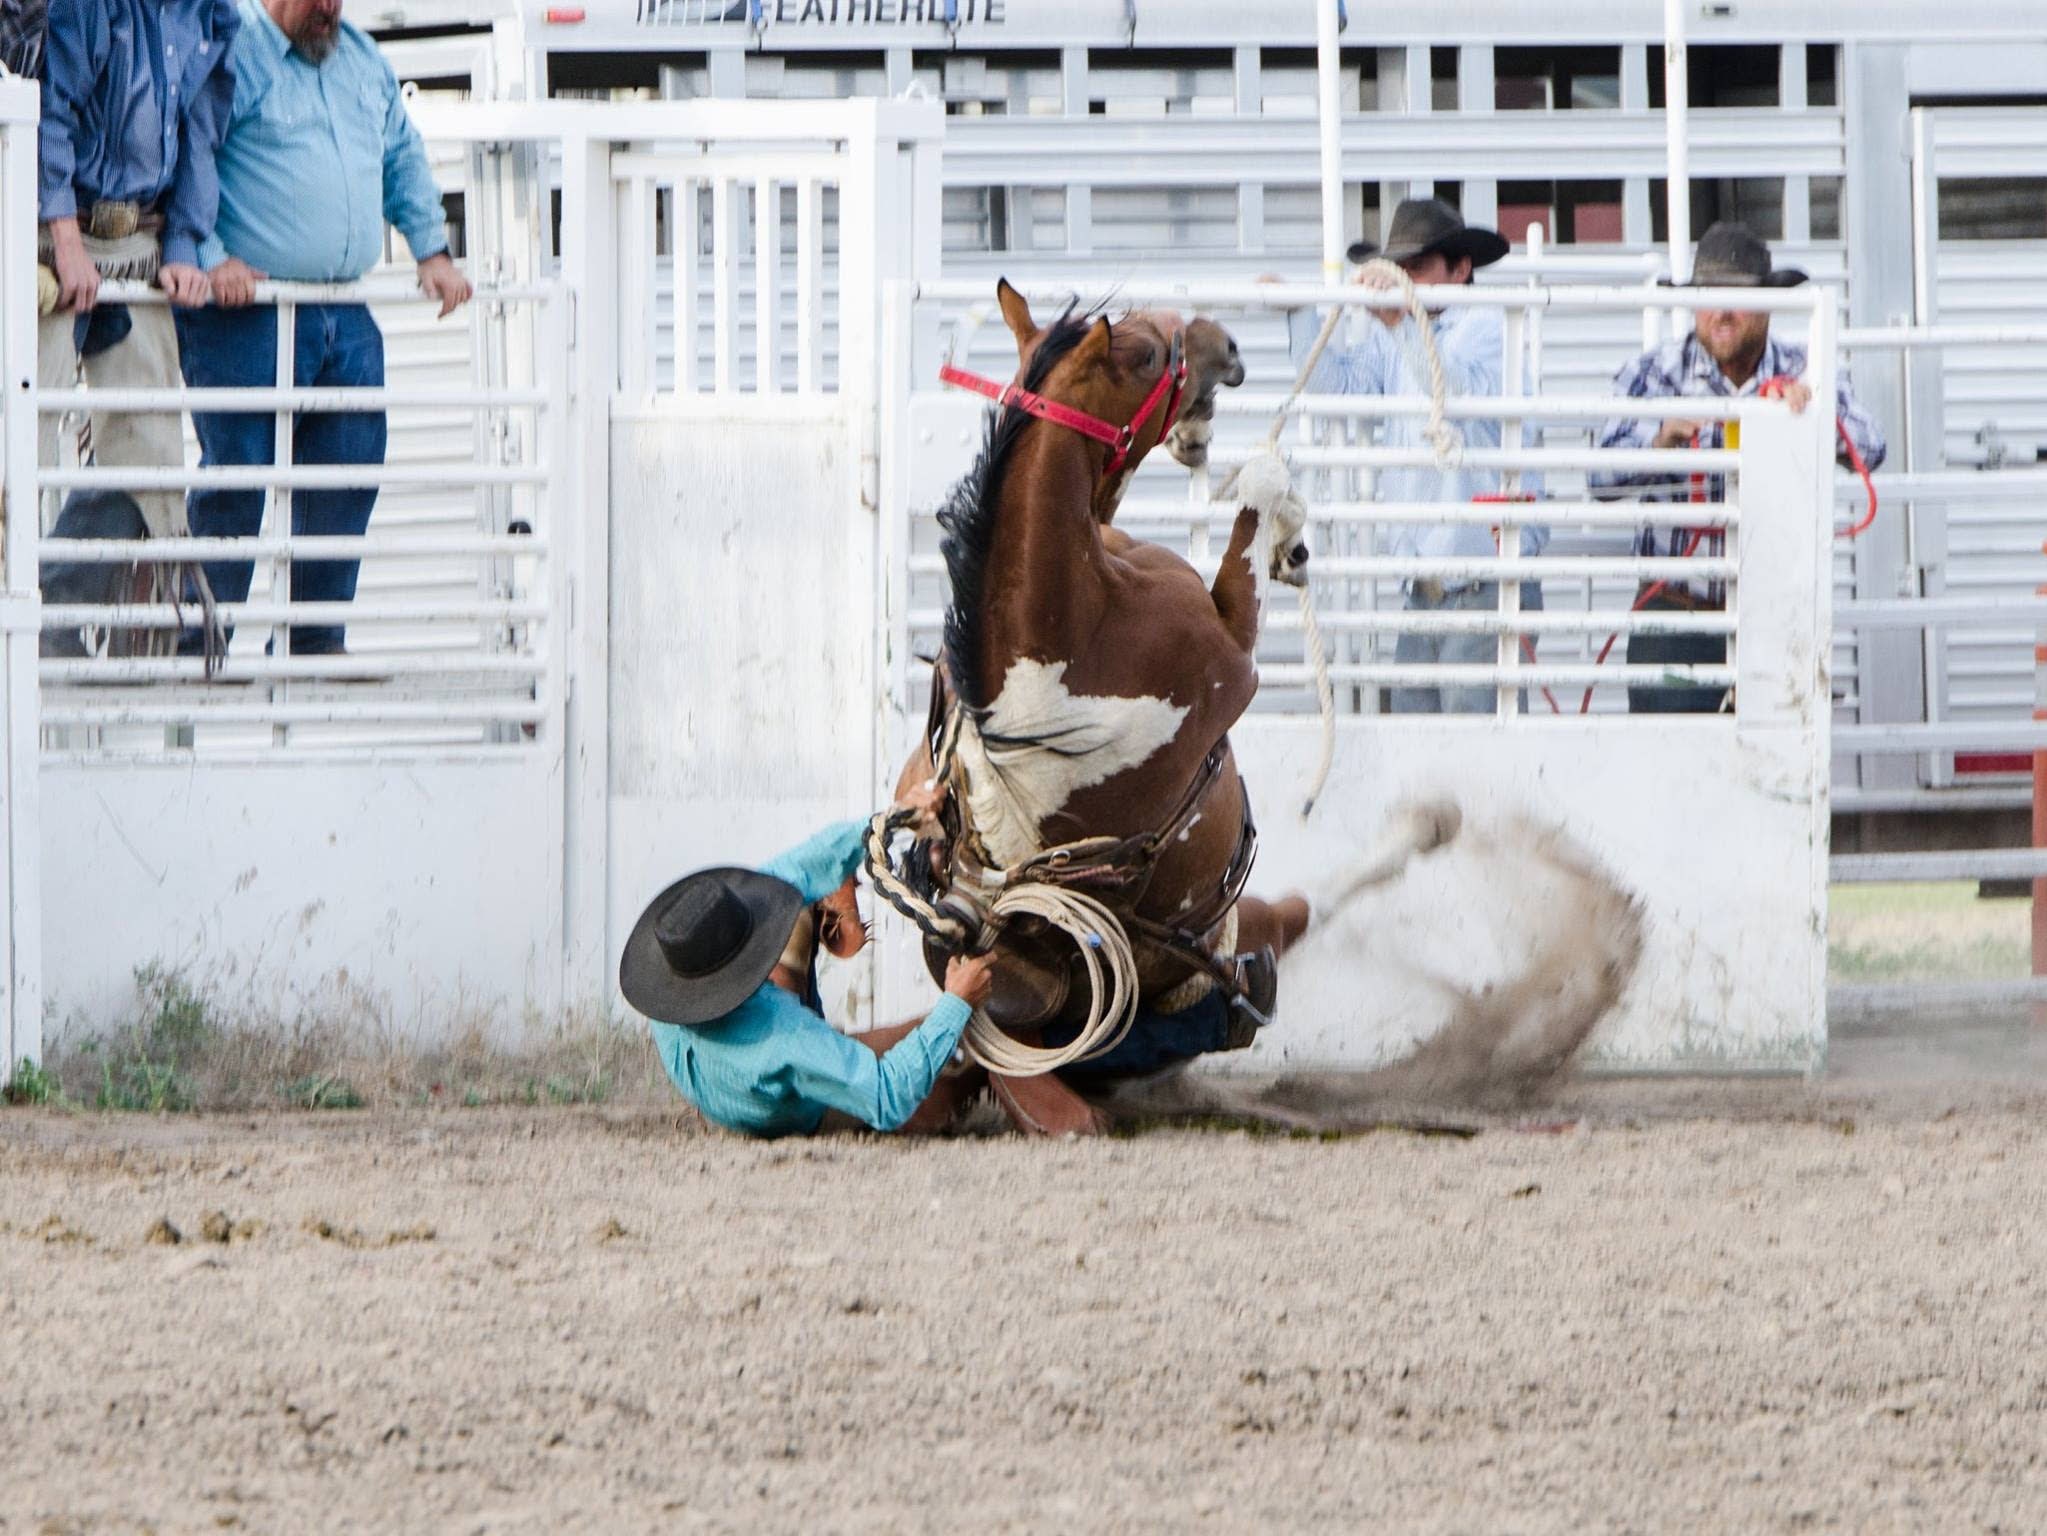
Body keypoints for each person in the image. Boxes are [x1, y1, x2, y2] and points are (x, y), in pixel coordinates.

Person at [176, 0, 471, 658]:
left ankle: (314, 638)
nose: (330, 9)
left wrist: (431, 250)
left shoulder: (361, 59)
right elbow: (189, 155)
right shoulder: (234, 54)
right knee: (238, 475)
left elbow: (401, 156)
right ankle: (200, 642)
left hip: (343, 304)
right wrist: (210, 254)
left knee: (349, 467)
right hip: (246, 311)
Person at [1592, 222, 1887, 713]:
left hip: (1775, 612)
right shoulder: (1652, 371)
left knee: (1774, 772)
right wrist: (1659, 440)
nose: (1721, 313)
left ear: (1768, 304)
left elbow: (1871, 445)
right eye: (1709, 296)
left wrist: (1813, 418)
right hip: (1675, 613)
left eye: (1738, 297)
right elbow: (1598, 477)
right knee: (1671, 769)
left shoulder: (1805, 368)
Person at [1278, 197, 1550, 714]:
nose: (1404, 278)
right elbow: (1334, 387)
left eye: (1418, 267)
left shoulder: (1491, 326)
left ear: (1461, 268)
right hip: (1427, 588)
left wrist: (1399, 322)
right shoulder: (1402, 332)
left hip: (1483, 585)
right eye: (1399, 268)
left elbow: (1452, 395)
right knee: (1422, 749)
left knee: (1465, 755)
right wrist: (1299, 313)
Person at [621, 787, 1000, 1139]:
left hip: (713, 1086)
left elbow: (804, 863)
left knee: (797, 907)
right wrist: (956, 1005)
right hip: (779, 1113)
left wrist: (894, 819)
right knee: (955, 1063)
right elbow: (887, 1095)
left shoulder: (673, 970)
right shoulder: (782, 1036)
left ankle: (874, 1046)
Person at [34, 0, 238, 548]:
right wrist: (65, 242)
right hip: (54, 236)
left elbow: (201, 131)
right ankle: (18, 605)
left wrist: (181, 244)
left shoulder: (212, 12)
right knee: (23, 420)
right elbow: (50, 112)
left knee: (150, 450)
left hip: (139, 240)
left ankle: (82, 613)